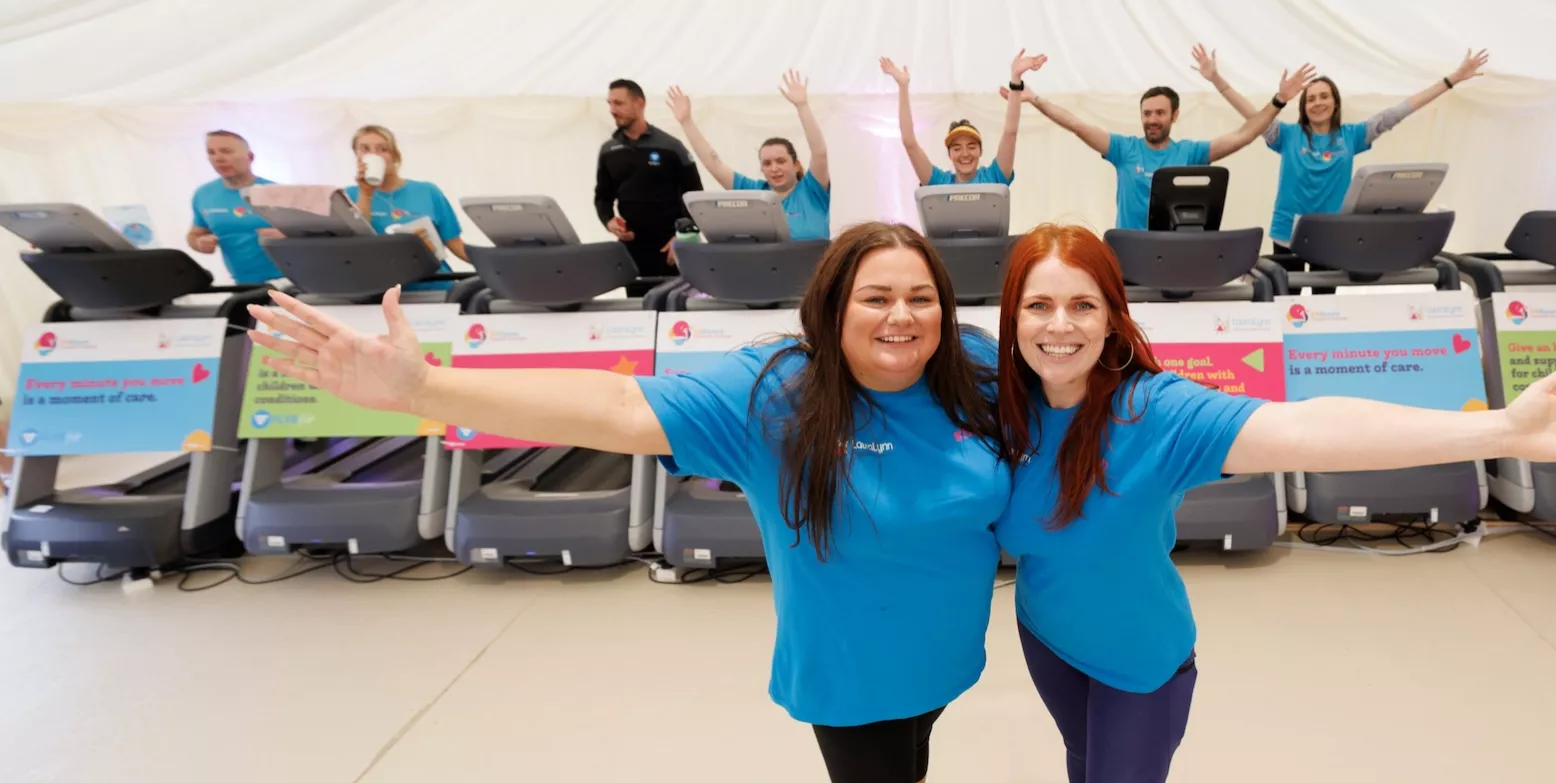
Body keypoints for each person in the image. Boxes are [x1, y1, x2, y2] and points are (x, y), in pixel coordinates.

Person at [244, 222, 1006, 783]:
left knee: (918, 752)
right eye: (875, 297)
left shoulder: (968, 364)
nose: (902, 316)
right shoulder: (776, 391)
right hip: (854, 676)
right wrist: (425, 388)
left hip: (945, 656)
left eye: (920, 296)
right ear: (832, 307)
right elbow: (615, 407)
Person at [992, 224, 1556, 782]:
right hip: (1049, 637)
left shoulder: (1157, 412)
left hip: (1139, 665)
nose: (1061, 325)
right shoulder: (1004, 405)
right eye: (1039, 305)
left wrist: (1501, 429)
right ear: (1012, 318)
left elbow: (1311, 427)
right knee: (1079, 767)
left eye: (1083, 304)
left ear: (1114, 318)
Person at [1193, 45, 1491, 264]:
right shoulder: (1287, 135)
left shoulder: (1351, 136)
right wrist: (1216, 79)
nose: (1317, 102)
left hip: (1331, 236)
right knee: (1287, 305)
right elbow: (1252, 115)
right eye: (1311, 98)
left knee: (1326, 306)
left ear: (1335, 103)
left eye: (1324, 97)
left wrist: (1451, 80)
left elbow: (1399, 111)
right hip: (1286, 234)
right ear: (1303, 106)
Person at [1026, 66, 1319, 230]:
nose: (1152, 120)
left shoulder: (1190, 153)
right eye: (1147, 113)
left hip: (1177, 252)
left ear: (1174, 116)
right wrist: (1035, 99)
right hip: (1131, 254)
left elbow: (1243, 136)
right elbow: (1076, 124)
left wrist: (1279, 100)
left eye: (1159, 113)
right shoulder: (1123, 149)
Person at [669, 72, 833, 240]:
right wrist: (686, 121)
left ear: (796, 164)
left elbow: (819, 153)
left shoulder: (812, 190)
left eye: (781, 161)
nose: (774, 168)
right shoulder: (756, 194)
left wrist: (802, 106)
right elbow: (713, 163)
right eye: (767, 163)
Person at [595, 78, 705, 289]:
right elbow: (602, 197)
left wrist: (683, 238)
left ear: (640, 103)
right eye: (609, 103)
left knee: (674, 316)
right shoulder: (608, 151)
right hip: (633, 252)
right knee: (638, 314)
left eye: (619, 103)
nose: (612, 109)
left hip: (671, 251)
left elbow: (695, 197)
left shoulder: (671, 147)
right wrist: (608, 220)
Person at [881, 50, 1045, 186]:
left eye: (972, 146)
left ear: (981, 151)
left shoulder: (994, 177)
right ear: (949, 154)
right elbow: (909, 143)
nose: (965, 154)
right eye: (957, 148)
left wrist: (1016, 79)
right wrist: (903, 86)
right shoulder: (939, 182)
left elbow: (1010, 133)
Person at [343, 125, 465, 291]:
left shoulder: (428, 191)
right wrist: (366, 194)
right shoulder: (348, 196)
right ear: (357, 156)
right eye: (365, 149)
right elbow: (357, 242)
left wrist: (495, 266)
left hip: (435, 286)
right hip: (381, 292)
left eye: (382, 149)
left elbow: (455, 243)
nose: (373, 155)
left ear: (394, 155)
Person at [187, 130, 284, 283]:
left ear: (250, 157)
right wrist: (200, 243)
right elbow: (194, 235)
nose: (218, 158)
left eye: (226, 151)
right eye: (211, 152)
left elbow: (309, 236)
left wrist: (286, 236)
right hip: (242, 284)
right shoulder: (203, 195)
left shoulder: (277, 192)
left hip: (287, 281)